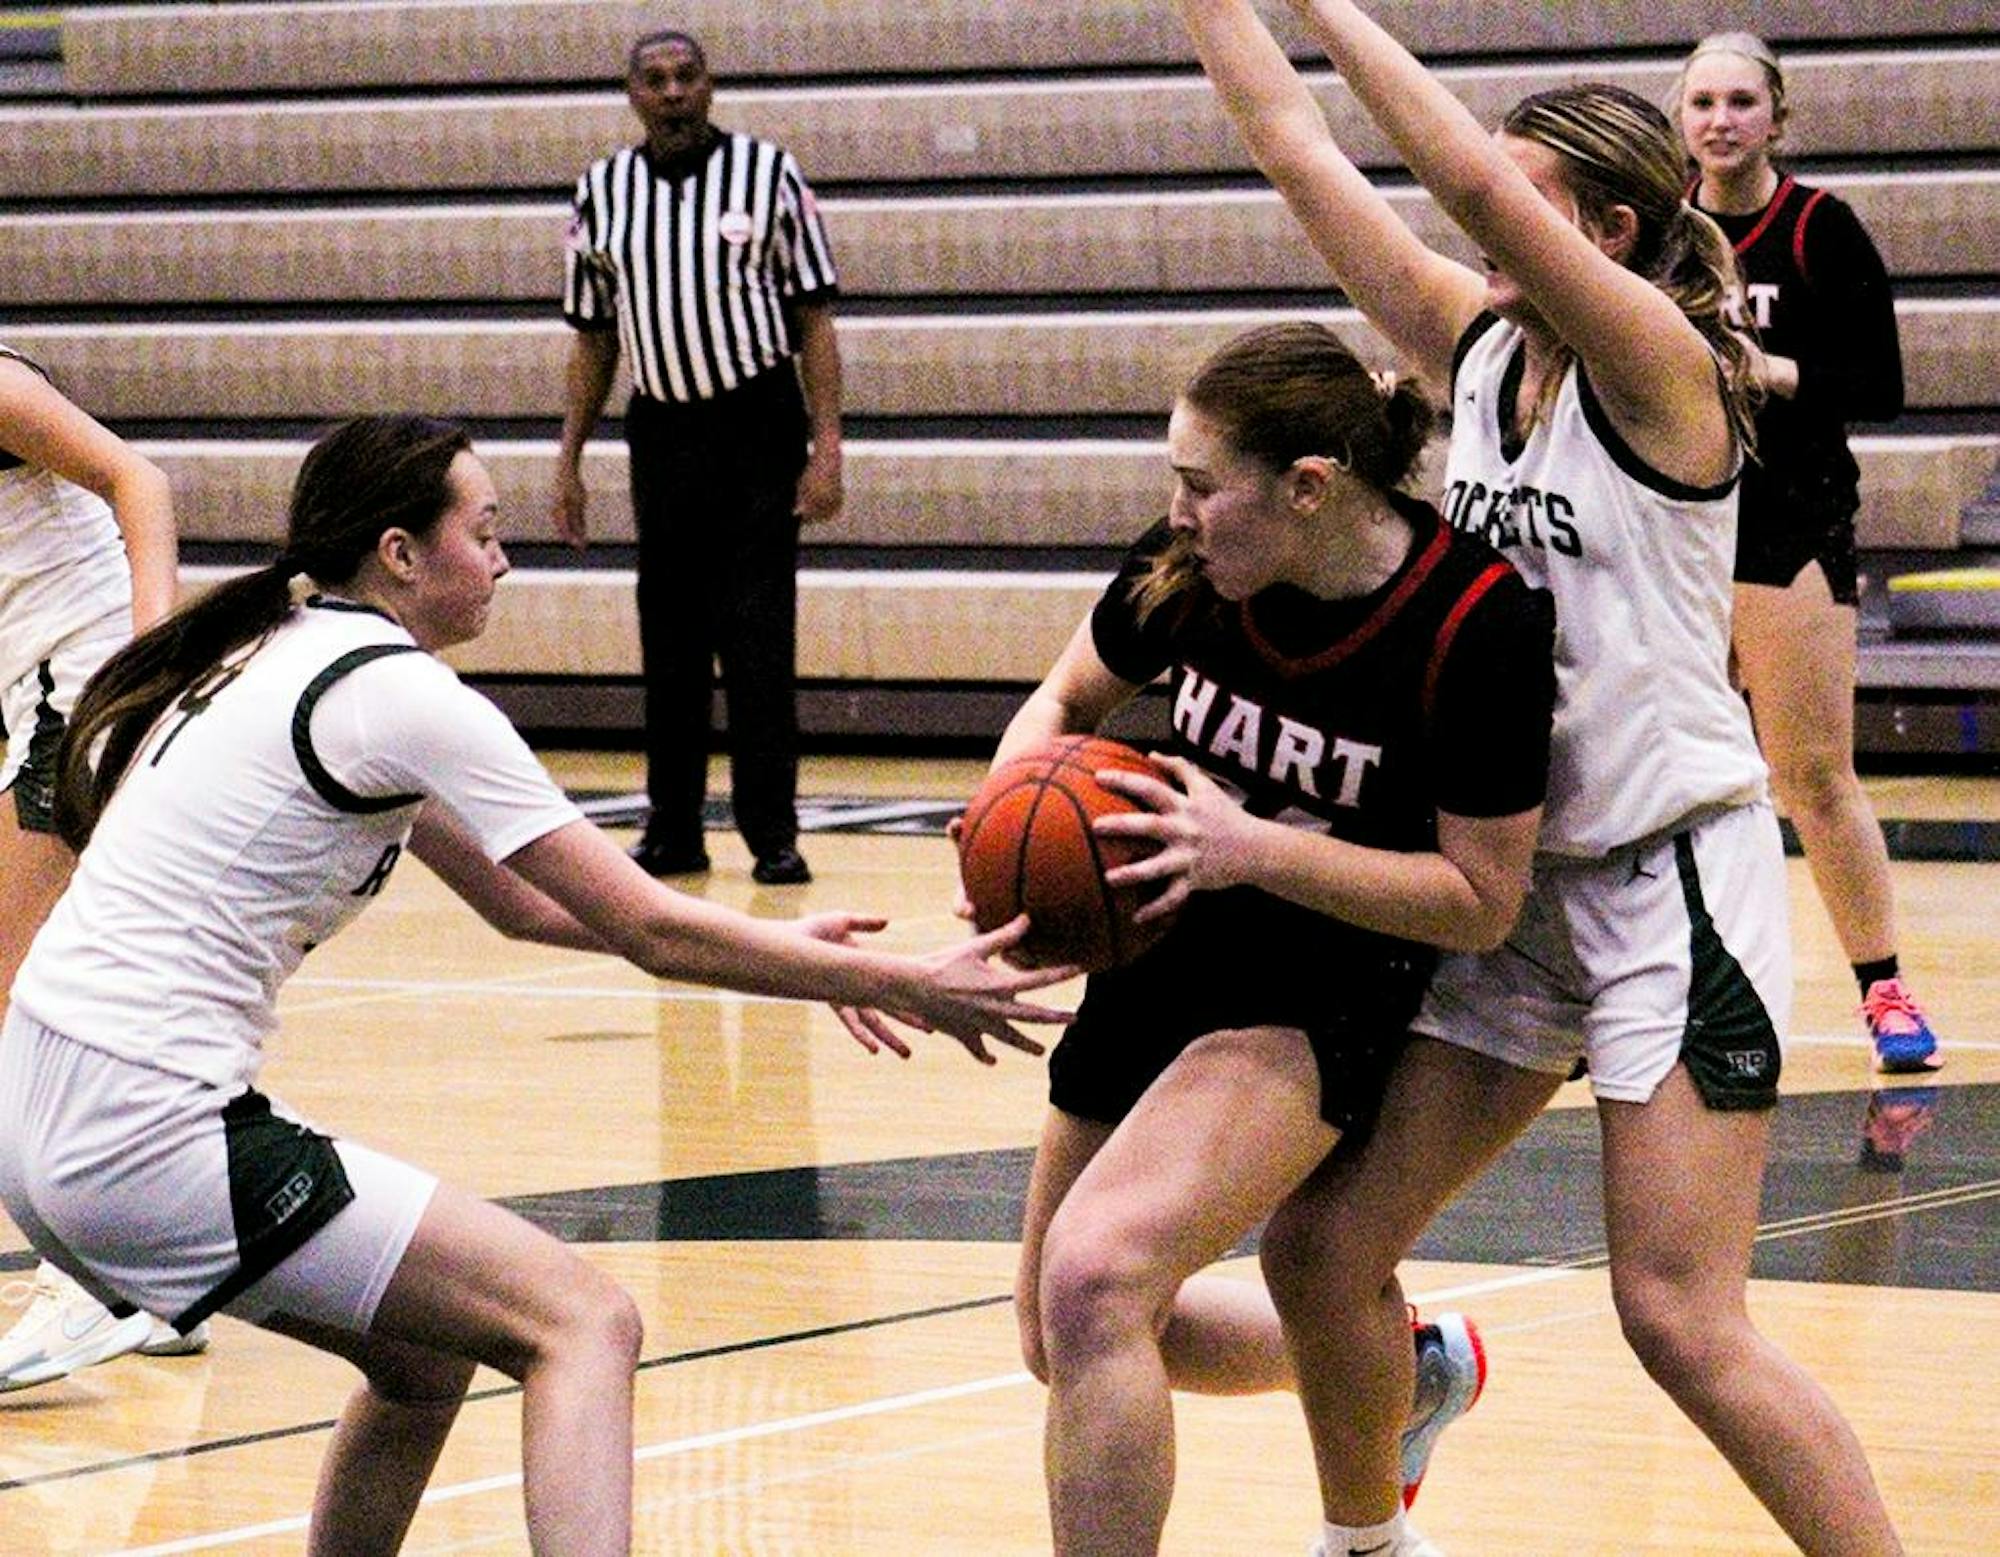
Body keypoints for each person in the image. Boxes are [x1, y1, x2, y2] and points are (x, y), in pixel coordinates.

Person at [0, 414, 1069, 1553]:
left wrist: (820, 960)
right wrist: (900, 980)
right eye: (486, 532)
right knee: (583, 1322)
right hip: (140, 1134)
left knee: (421, 1364)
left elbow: (527, 904)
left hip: (39, 1117)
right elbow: (651, 928)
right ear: (402, 554)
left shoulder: (278, 650)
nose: (505, 560)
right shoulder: (398, 694)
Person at [1174, 2, 1907, 1553]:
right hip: (1504, 889)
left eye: (1522, 194)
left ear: (1615, 231)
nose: (1482, 213)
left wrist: (1322, 8)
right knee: (1321, 1250)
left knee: (1678, 1315)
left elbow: (1477, 196)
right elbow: (1294, 150)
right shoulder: (1480, 347)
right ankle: (1369, 1545)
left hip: (1669, 884)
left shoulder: (1663, 369)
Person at [984, 320, 1557, 1556]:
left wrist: (1249, 846)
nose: (1174, 511)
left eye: (1198, 485)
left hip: (1319, 977)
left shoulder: (1473, 623)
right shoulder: (1191, 566)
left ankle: (1367, 1524)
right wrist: (1003, 834)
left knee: (1096, 1284)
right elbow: (1064, 699)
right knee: (1055, 1327)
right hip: (1161, 943)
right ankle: (1401, 1366)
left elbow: (1481, 897)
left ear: (1308, 488)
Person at [1676, 31, 1938, 1075]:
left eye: (1740, 101)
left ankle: (1882, 989)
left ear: (1775, 118)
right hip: (1675, 523)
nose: (1718, 120)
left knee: (1812, 775)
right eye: (1700, 102)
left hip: (1787, 520)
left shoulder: (1820, 228)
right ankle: (1629, 989)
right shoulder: (1658, 233)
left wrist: (1763, 371)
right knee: (1649, 773)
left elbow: (1878, 387)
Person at [552, 26, 842, 888]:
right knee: (669, 641)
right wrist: (568, 456)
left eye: (688, 76)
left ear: (710, 85)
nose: (674, 92)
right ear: (632, 93)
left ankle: (772, 833)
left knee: (759, 639)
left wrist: (826, 446)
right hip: (663, 433)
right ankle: (673, 830)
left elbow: (814, 325)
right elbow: (593, 337)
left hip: (757, 429)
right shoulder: (601, 192)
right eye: (655, 79)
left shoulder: (770, 173)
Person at [0, 343, 199, 1391]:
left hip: (81, 690)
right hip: (39, 696)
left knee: (18, 998)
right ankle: (159, 1277)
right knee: (92, 990)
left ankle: (81, 1284)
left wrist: (150, 656)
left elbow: (141, 480)